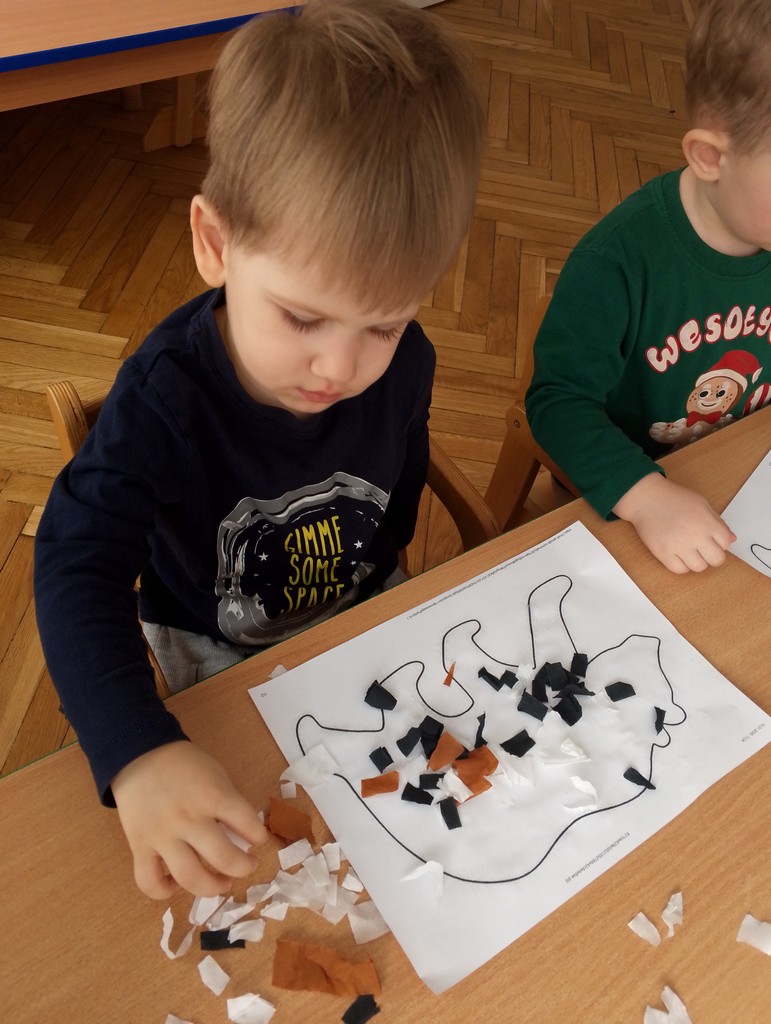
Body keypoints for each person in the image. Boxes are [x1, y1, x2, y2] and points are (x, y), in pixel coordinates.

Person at [34, 0, 484, 900]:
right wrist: (136, 752)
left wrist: (392, 579)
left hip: (361, 608)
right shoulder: (164, 398)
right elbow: (75, 561)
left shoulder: (405, 364)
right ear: (215, 243)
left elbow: (398, 479)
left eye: (384, 323)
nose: (341, 368)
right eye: (303, 317)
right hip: (211, 639)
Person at [525, 0, 771, 574]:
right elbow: (557, 404)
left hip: (744, 466)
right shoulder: (616, 264)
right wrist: (645, 496)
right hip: (634, 488)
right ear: (710, 157)